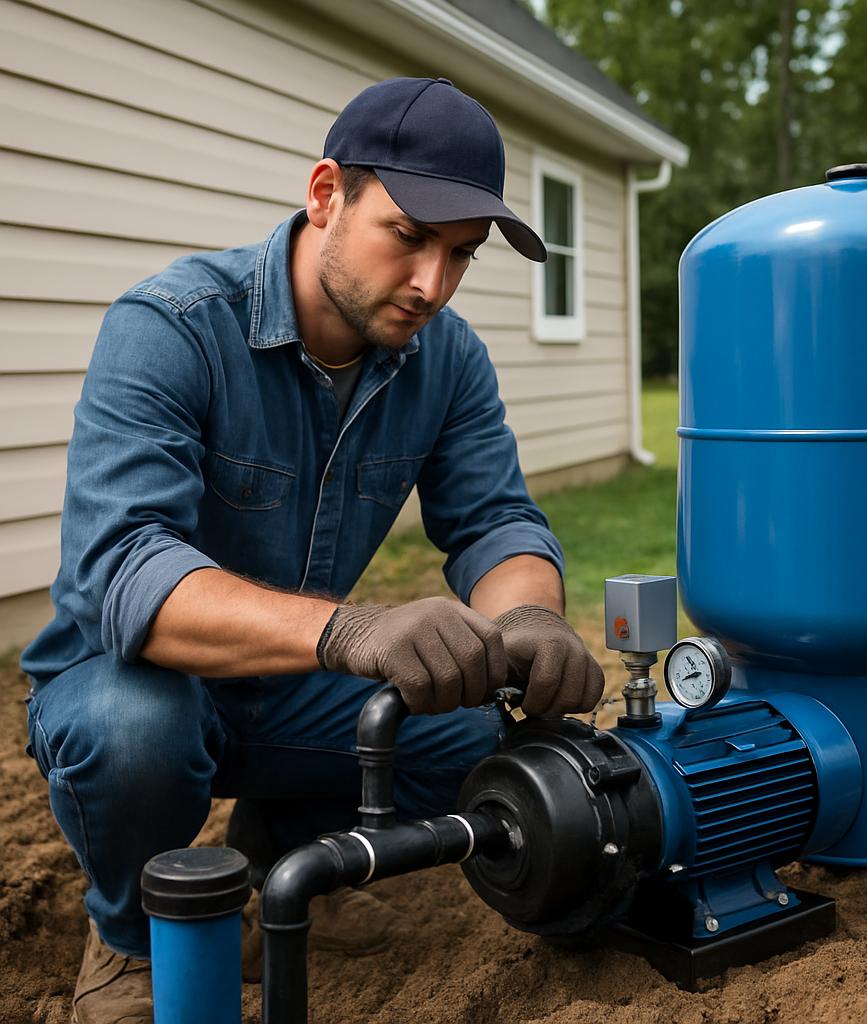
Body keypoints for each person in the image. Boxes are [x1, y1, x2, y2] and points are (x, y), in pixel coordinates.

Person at [20, 77, 605, 1023]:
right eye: (409, 237)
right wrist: (353, 631)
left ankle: (270, 860)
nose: (432, 285)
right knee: (136, 733)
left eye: (461, 255)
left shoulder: (447, 359)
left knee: (475, 726)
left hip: (284, 685)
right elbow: (127, 572)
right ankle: (133, 938)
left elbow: (495, 521)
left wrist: (528, 613)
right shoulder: (169, 327)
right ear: (327, 194)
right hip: (128, 677)